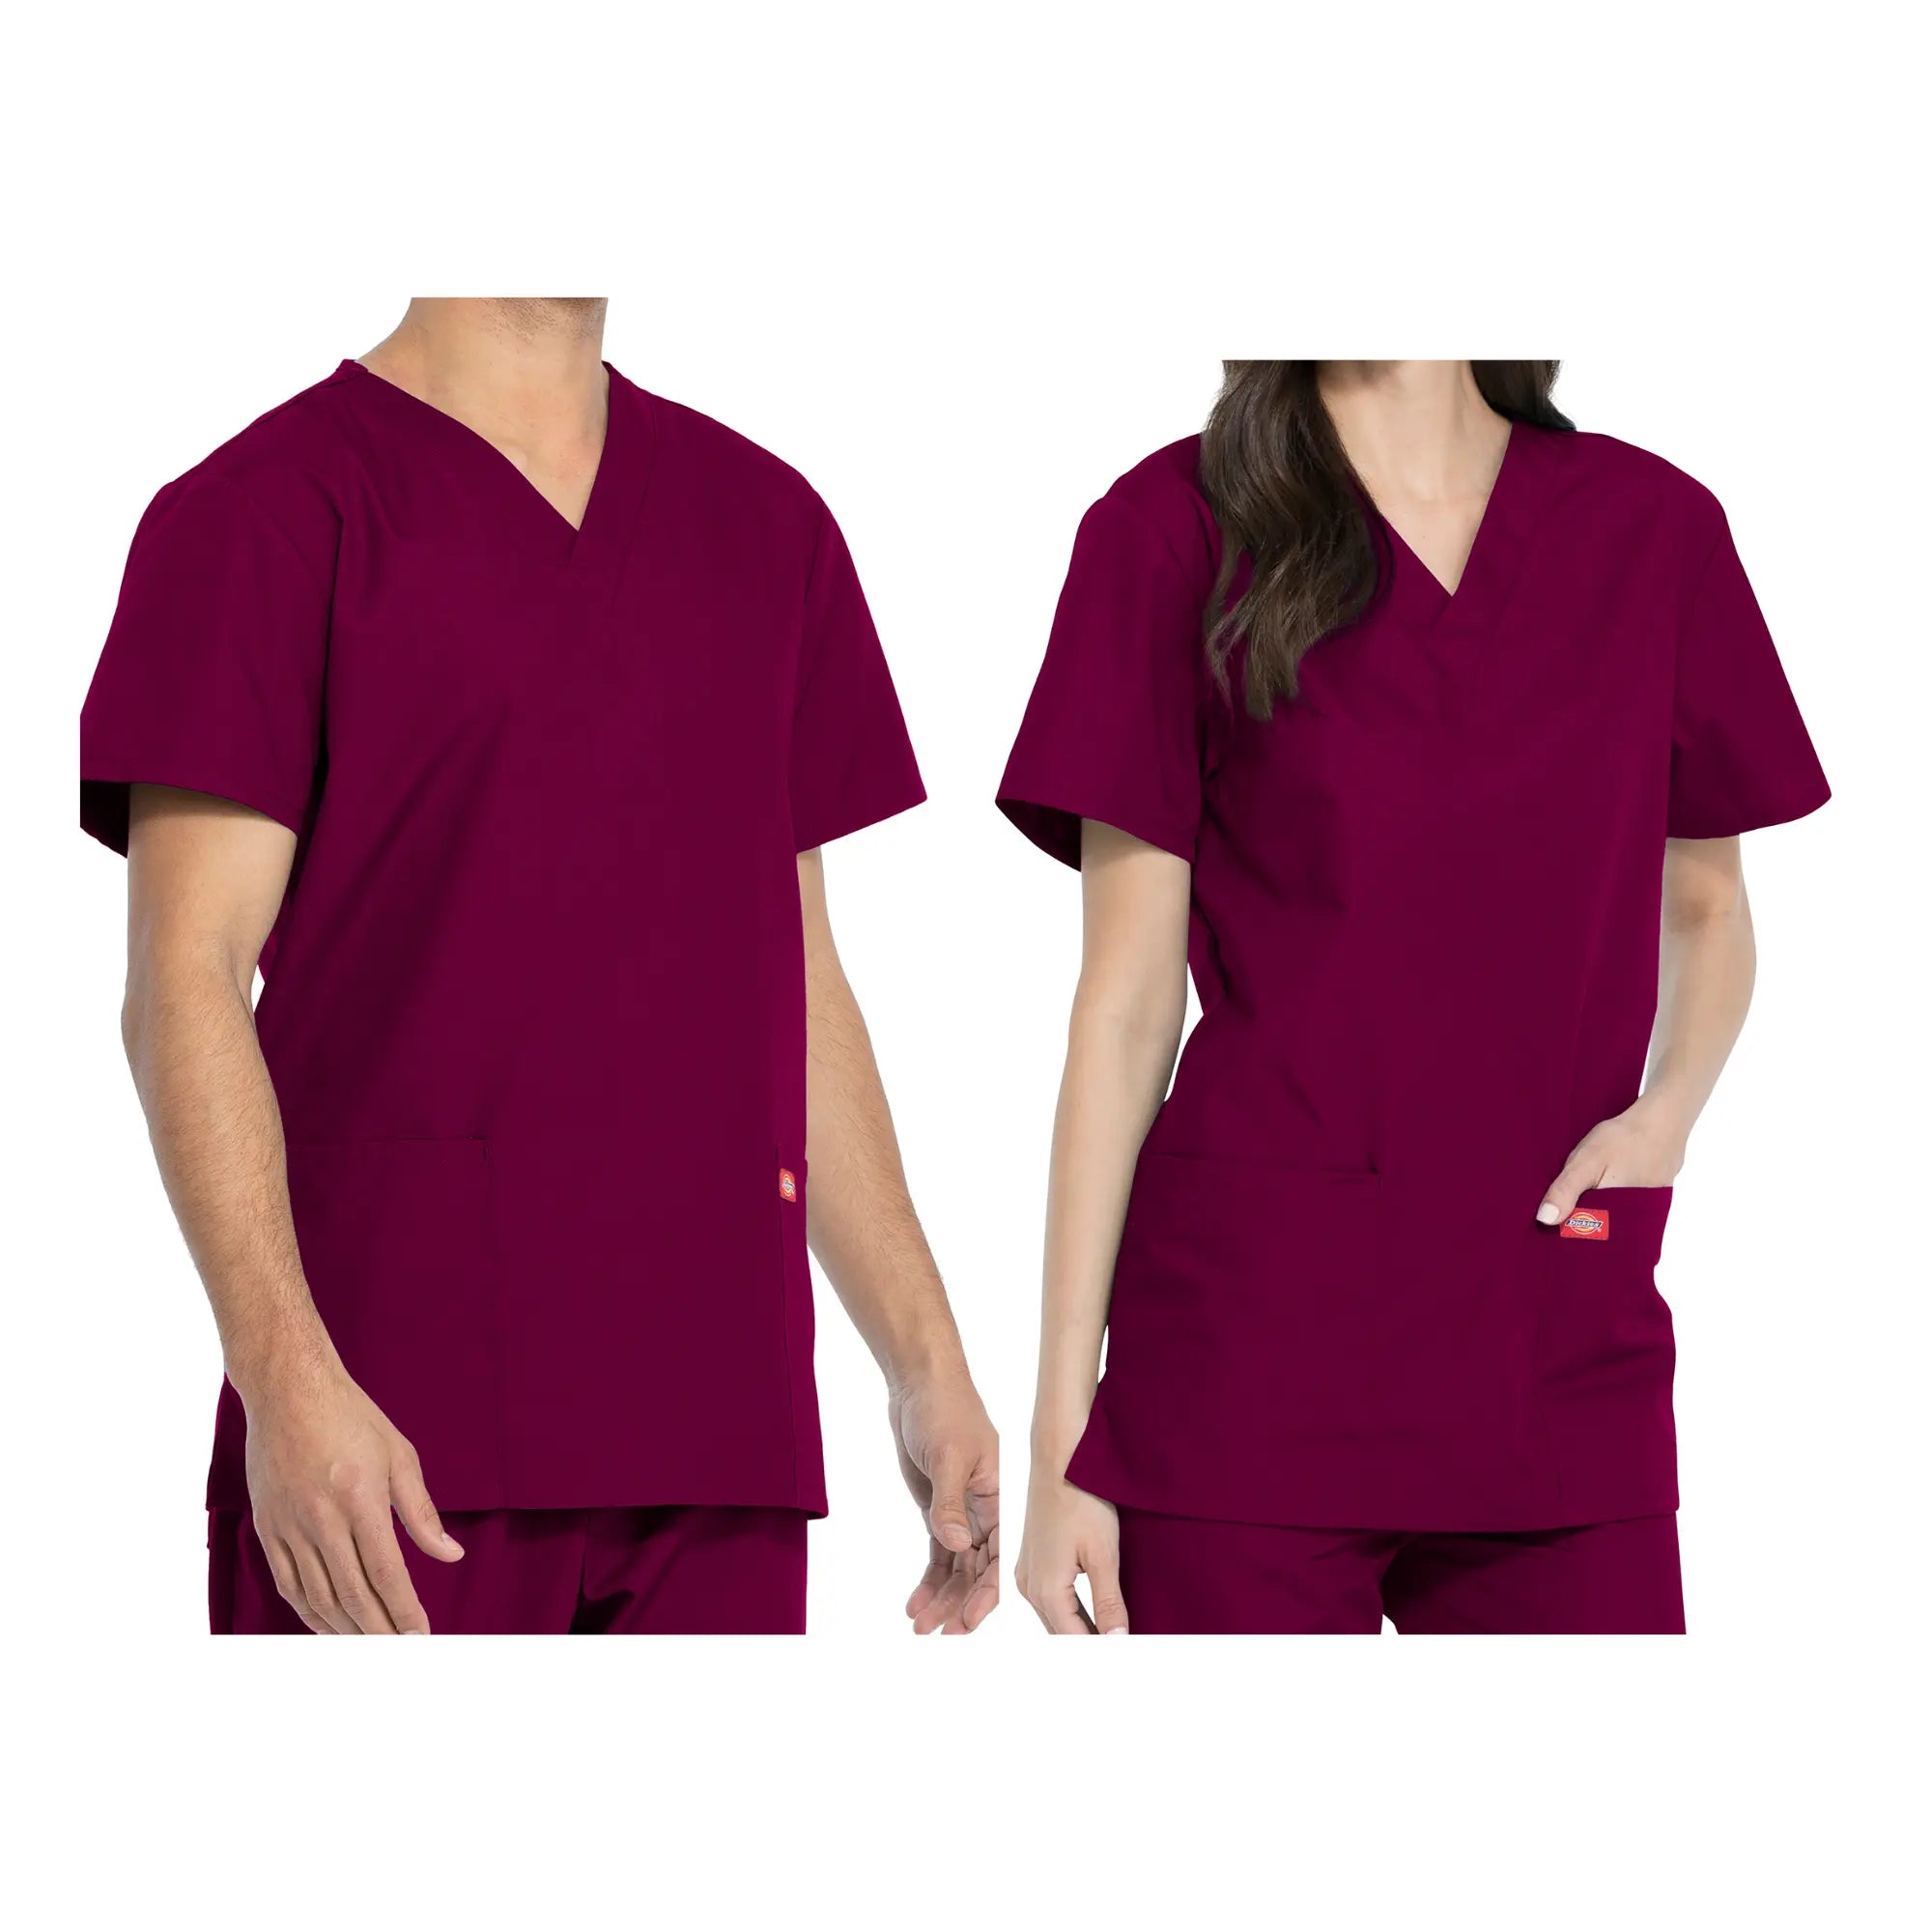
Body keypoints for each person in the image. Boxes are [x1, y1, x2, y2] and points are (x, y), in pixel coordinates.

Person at [81, 298, 998, 1635]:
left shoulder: (764, 523)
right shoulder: (261, 515)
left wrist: (925, 1361)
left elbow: (796, 976)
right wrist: (284, 1380)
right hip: (390, 1442)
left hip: (717, 1432)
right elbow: (185, 978)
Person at [1001, 359, 1827, 1634]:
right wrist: (1065, 1429)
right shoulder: (1172, 527)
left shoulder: (1653, 530)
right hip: (1247, 1360)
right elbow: (1124, 1008)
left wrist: (1667, 1117)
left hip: (1555, 1338)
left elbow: (1709, 909)